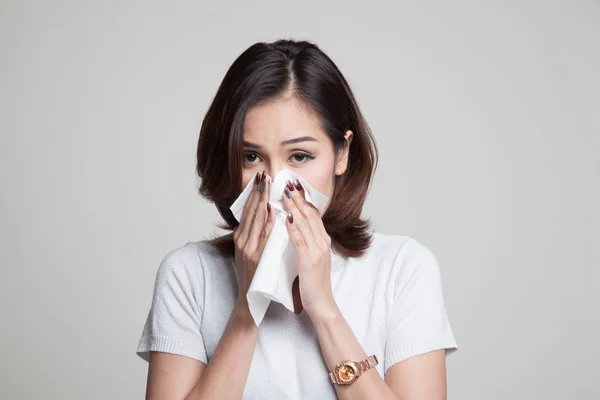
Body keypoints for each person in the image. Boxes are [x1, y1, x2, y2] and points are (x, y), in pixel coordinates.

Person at [136, 39, 458, 400]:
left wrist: (324, 309)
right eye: (252, 157)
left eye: (300, 156)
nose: (275, 182)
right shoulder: (189, 275)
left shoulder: (403, 270)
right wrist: (246, 308)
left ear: (342, 154)